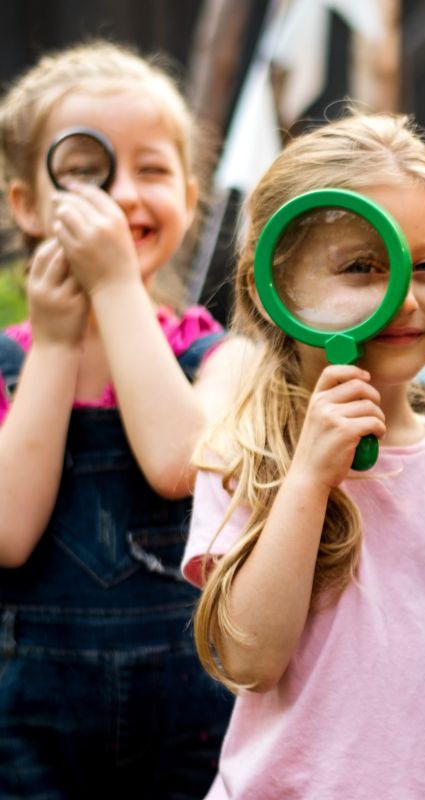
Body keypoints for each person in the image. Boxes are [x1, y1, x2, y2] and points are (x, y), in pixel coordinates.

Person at [183, 112, 425, 799]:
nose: (404, 298)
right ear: (279, 288)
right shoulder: (245, 459)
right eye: (361, 267)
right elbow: (248, 659)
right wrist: (310, 478)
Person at [0, 41, 241, 796]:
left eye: (153, 170)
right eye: (87, 170)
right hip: (29, 726)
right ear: (26, 205)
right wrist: (60, 341)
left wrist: (114, 290)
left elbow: (181, 464)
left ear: (191, 198)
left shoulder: (220, 356)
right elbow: (8, 534)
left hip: (192, 718)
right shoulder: (10, 361)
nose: (123, 194)